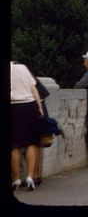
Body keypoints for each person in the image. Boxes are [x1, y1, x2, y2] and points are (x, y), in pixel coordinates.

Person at [11, 61, 44, 191]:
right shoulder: (22, 67)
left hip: (13, 107)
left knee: (14, 145)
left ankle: (16, 179)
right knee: (31, 143)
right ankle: (30, 177)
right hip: (29, 106)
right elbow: (33, 88)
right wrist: (39, 107)